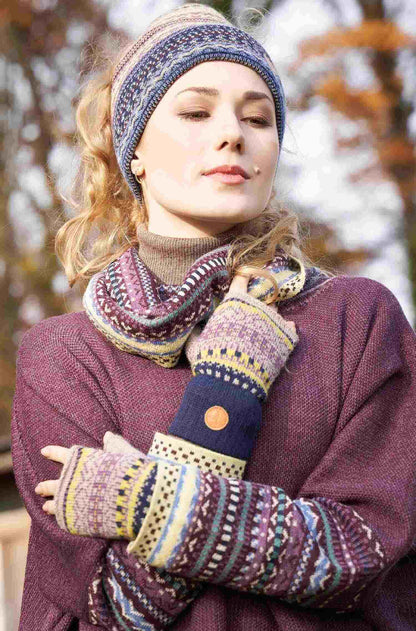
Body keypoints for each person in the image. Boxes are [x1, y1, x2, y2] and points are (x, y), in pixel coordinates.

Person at [11, 4, 416, 631]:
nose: (232, 134)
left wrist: (144, 498)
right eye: (196, 113)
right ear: (134, 149)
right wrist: (229, 388)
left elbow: (362, 554)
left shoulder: (356, 320)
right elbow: (114, 606)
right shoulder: (63, 355)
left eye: (257, 118)